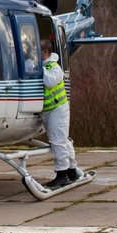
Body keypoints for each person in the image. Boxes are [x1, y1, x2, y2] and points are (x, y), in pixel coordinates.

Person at [40, 38, 82, 189]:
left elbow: (50, 82)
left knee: (58, 141)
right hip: (48, 110)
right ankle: (72, 170)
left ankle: (62, 175)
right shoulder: (45, 66)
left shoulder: (54, 67)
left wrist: (40, 69)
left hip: (58, 109)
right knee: (63, 140)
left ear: (45, 52)